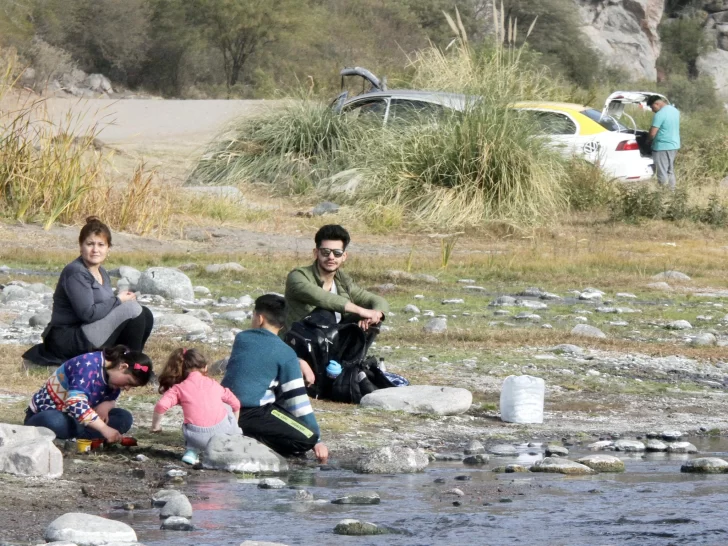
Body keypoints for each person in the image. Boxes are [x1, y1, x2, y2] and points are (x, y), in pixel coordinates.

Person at [23, 216, 154, 367]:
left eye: (101, 244)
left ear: (108, 248)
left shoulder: (102, 272)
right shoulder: (76, 272)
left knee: (145, 314)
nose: (95, 250)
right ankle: (131, 368)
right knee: (132, 309)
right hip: (68, 338)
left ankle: (128, 364)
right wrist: (118, 301)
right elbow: (88, 314)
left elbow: (106, 308)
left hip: (89, 332)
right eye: (90, 244)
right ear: (81, 246)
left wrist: (122, 300)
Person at [221, 294, 329, 463]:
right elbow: (297, 400)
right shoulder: (286, 353)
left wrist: (297, 361)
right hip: (251, 413)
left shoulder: (241, 339)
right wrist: (317, 441)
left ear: (259, 318)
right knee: (307, 437)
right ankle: (254, 440)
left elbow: (261, 357)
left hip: (225, 409)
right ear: (283, 324)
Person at [284, 224, 389, 385]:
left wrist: (376, 314)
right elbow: (324, 298)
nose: (331, 257)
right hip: (302, 346)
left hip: (332, 346)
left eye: (337, 253)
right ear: (316, 253)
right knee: (325, 313)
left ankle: (349, 368)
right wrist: (361, 311)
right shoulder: (298, 277)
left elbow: (376, 300)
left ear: (344, 256)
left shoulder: (343, 281)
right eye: (326, 252)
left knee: (370, 322)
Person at [24, 345, 153, 442]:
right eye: (128, 382)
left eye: (132, 387)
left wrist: (108, 404)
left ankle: (78, 435)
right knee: (54, 421)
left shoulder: (113, 376)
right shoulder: (87, 365)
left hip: (80, 419)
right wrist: (104, 429)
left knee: (124, 417)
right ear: (122, 367)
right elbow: (75, 403)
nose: (127, 388)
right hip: (50, 413)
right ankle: (88, 434)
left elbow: (112, 396)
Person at [151, 348, 242, 465]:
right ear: (205, 367)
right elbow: (236, 404)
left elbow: (161, 405)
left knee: (189, 423)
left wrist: (156, 426)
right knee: (227, 406)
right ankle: (235, 439)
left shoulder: (179, 388)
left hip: (196, 438)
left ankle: (191, 452)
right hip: (222, 436)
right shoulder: (214, 384)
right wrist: (235, 425)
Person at [647, 95, 680, 190]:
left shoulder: (660, 114)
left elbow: (652, 133)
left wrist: (648, 140)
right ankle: (672, 192)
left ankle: (663, 194)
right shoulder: (675, 111)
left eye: (652, 107)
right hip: (674, 145)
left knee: (661, 172)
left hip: (662, 146)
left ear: (656, 104)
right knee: (670, 171)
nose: (652, 110)